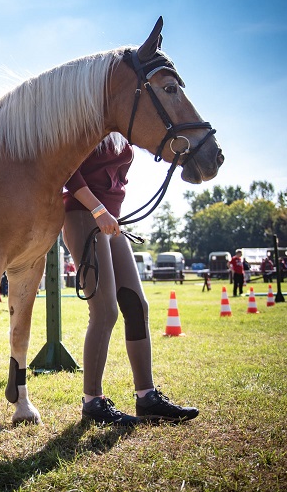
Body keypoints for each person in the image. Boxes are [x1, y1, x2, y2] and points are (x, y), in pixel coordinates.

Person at [62, 134, 198, 426]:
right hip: (85, 217)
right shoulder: (87, 123)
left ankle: (146, 396)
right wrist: (98, 210)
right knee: (105, 311)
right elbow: (67, 171)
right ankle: (93, 402)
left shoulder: (123, 130)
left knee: (137, 306)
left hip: (112, 221)